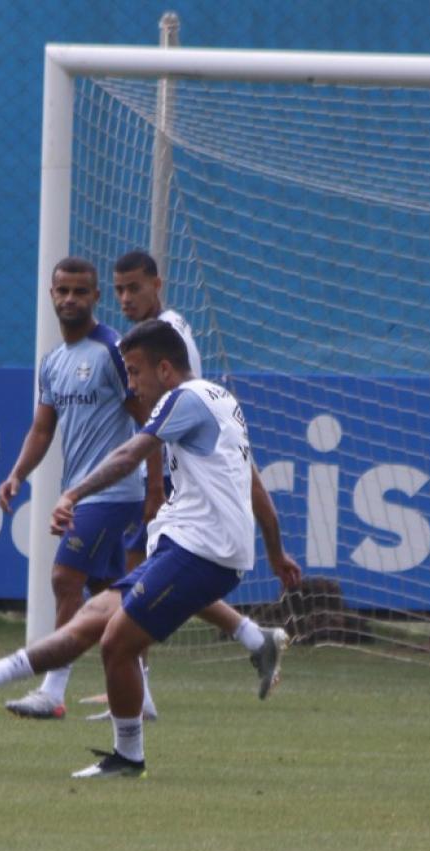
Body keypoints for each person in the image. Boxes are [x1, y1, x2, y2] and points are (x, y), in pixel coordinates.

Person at [0, 319, 298, 777]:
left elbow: (128, 455)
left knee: (117, 643)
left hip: (201, 551)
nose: (130, 384)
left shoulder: (180, 399)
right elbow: (253, 482)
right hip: (192, 547)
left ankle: (128, 757)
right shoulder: (220, 399)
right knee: (91, 619)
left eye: (134, 372)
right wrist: (274, 549)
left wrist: (71, 494)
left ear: (165, 369)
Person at [107, 249, 294, 704]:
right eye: (120, 290)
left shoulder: (169, 339)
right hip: (197, 468)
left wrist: (154, 485)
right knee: (164, 577)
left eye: (135, 287)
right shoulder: (162, 338)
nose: (126, 298)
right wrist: (275, 548)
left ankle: (131, 685)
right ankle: (253, 638)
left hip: (187, 474)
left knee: (111, 598)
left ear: (158, 283)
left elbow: (161, 416)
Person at [0, 256, 159, 721]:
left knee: (65, 579)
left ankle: (52, 690)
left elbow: (148, 419)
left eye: (80, 292)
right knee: (113, 593)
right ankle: (140, 695)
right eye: (62, 291)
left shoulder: (112, 349)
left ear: (96, 298)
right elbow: (42, 429)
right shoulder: (54, 362)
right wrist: (17, 474)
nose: (70, 299)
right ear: (51, 295)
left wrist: (153, 489)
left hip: (113, 493)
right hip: (85, 493)